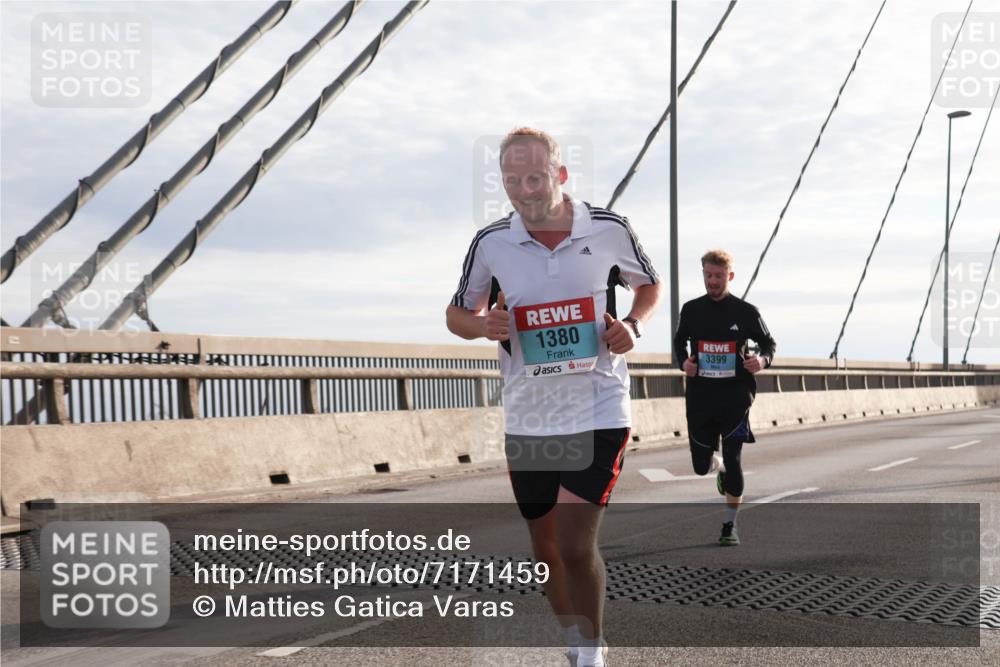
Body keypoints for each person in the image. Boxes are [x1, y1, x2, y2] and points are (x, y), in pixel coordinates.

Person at [446, 127, 662, 667]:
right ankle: (575, 639)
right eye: (512, 179)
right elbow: (457, 314)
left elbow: (648, 284)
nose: (524, 189)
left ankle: (591, 653)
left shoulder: (608, 229)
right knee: (545, 551)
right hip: (530, 414)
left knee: (571, 541)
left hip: (598, 405)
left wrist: (633, 325)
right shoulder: (491, 242)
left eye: (535, 177)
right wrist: (483, 326)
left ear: (560, 175)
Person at [672, 249, 776, 546]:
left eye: (718, 276)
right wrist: (684, 363)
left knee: (734, 457)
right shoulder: (691, 310)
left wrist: (763, 361)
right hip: (701, 398)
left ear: (729, 276)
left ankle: (729, 526)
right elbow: (680, 342)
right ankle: (716, 468)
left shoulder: (745, 312)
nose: (712, 281)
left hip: (735, 397)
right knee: (700, 466)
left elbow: (768, 343)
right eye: (708, 275)